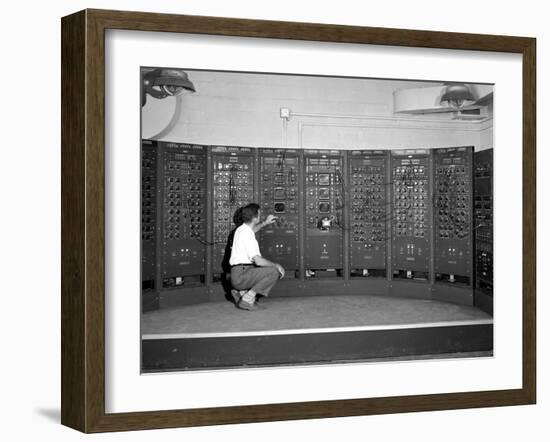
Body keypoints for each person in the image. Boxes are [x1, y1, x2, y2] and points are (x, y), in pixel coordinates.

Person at [229, 203, 285, 311]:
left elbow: (253, 230)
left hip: (237, 272)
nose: (260, 216)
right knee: (273, 271)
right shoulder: (248, 235)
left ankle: (242, 293)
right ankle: (247, 299)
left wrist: (265, 223)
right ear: (255, 218)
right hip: (242, 274)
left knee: (263, 269)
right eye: (259, 214)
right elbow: (258, 261)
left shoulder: (241, 230)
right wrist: (276, 265)